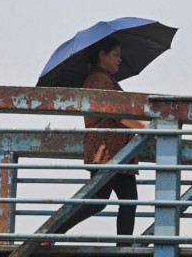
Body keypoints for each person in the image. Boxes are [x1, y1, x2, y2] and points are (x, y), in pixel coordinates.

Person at [43, 36, 148, 247]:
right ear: (102, 55)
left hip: (118, 152)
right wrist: (149, 129)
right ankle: (52, 232)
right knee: (99, 199)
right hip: (107, 150)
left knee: (128, 200)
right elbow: (119, 113)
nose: (119, 60)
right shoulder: (98, 80)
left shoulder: (104, 79)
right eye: (115, 55)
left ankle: (124, 246)